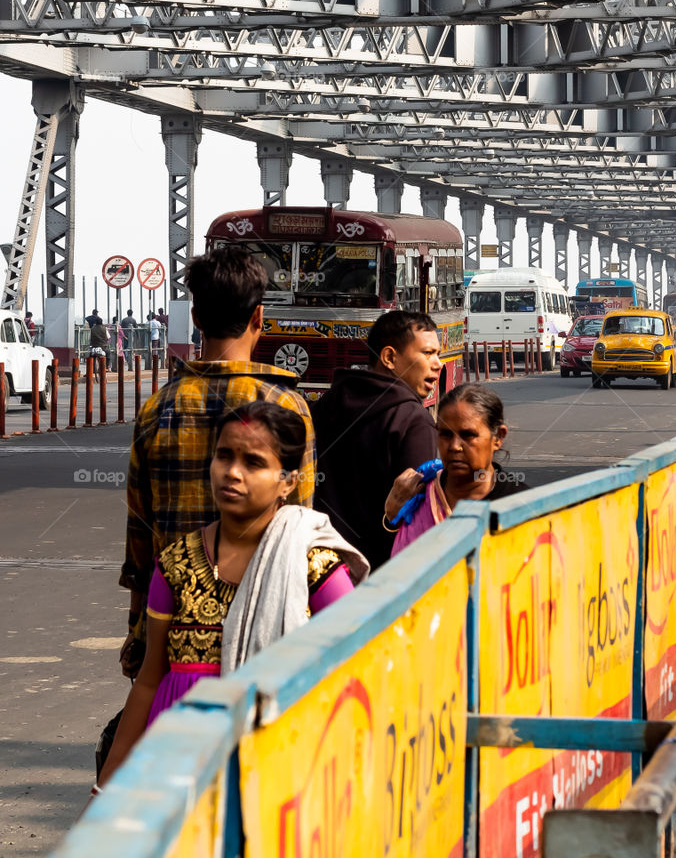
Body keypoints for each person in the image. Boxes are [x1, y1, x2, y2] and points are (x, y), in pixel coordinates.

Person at [99, 402, 366, 792]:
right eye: (224, 456)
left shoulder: (313, 567)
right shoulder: (177, 565)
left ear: (288, 481)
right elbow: (149, 680)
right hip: (176, 769)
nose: (232, 472)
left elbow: (354, 671)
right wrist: (106, 785)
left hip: (275, 768)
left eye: (253, 462)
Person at [120, 246, 318, 680]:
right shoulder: (288, 405)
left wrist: (138, 624)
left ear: (195, 317)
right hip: (263, 622)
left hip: (174, 624)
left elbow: (140, 528)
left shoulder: (158, 408)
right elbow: (298, 526)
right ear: (259, 318)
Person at [313, 311, 442, 571]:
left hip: (320, 568)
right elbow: (416, 517)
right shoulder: (413, 421)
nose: (438, 363)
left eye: (437, 354)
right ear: (390, 358)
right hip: (380, 574)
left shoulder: (326, 403)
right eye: (428, 353)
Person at [384, 385, 527, 554]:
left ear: (498, 437)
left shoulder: (522, 505)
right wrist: (391, 517)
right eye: (445, 434)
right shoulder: (418, 495)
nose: (454, 446)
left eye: (468, 435)